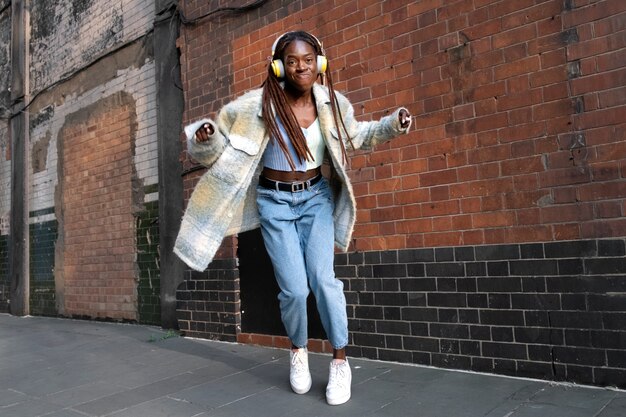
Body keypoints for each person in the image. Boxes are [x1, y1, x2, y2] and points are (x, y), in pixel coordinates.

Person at [174, 30, 412, 406]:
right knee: (295, 290)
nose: (300, 66)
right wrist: (204, 139)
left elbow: (359, 136)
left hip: (316, 199)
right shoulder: (256, 106)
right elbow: (215, 149)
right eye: (292, 60)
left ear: (320, 63)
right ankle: (298, 350)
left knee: (323, 281)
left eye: (307, 59)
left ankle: (339, 360)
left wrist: (392, 125)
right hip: (275, 203)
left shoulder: (333, 104)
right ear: (278, 66)